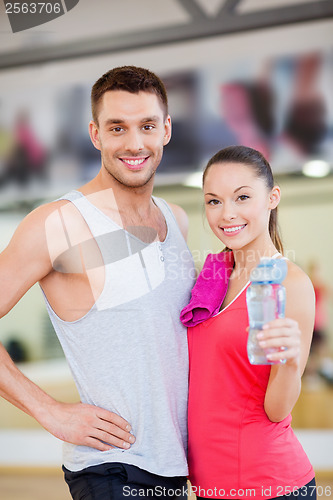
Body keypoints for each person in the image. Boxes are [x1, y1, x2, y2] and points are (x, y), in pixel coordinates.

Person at [0, 66, 195, 499]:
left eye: (147, 125)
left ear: (166, 129)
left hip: (174, 465)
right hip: (113, 468)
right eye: (117, 128)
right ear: (95, 134)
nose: (134, 143)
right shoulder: (58, 223)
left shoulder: (175, 219)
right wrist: (49, 410)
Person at [184, 146, 316, 499]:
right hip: (209, 483)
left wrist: (290, 363)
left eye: (242, 197)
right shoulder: (212, 274)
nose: (227, 214)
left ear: (272, 198)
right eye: (213, 201)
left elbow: (276, 410)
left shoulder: (290, 283)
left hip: (268, 484)